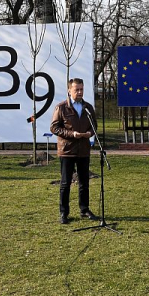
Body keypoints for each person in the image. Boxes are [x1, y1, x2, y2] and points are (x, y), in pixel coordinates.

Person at [50, 78, 97, 224]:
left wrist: (90, 133)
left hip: (83, 150)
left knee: (84, 182)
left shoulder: (88, 107)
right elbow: (54, 127)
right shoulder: (62, 107)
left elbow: (94, 125)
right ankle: (64, 213)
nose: (80, 92)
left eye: (82, 89)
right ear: (69, 90)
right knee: (65, 183)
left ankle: (84, 209)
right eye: (77, 89)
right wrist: (72, 134)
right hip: (67, 150)